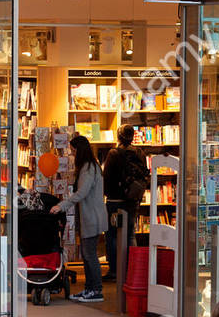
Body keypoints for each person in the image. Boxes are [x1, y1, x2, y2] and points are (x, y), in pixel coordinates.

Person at [50, 134, 108, 303]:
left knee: (90, 255)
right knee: (87, 254)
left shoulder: (88, 168)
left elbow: (82, 193)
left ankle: (95, 290)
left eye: (74, 151)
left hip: (92, 217)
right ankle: (89, 289)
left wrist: (62, 205)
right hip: (89, 217)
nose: (72, 154)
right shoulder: (89, 167)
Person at [102, 124, 149, 284]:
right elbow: (145, 174)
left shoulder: (114, 153)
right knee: (130, 234)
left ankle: (115, 270)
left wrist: (107, 194)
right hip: (132, 200)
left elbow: (107, 178)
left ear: (119, 136)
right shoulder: (140, 153)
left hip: (115, 200)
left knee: (113, 235)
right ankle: (131, 269)